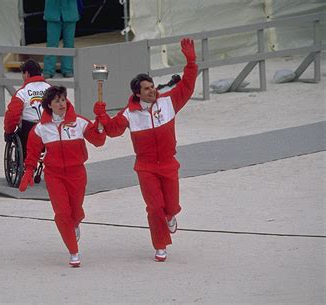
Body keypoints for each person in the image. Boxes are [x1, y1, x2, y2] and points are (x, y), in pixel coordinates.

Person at [93, 38, 198, 262]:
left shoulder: (168, 101)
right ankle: (160, 246)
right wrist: (102, 115)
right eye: (147, 89)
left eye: (152, 86)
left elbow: (187, 86)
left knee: (170, 206)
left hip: (169, 163)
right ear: (137, 94)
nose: (152, 91)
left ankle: (170, 216)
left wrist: (191, 62)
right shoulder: (129, 113)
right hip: (146, 167)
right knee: (154, 207)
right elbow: (112, 130)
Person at [19, 86, 106, 267]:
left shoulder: (79, 122)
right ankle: (73, 251)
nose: (62, 104)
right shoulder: (40, 129)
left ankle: (75, 222)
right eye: (57, 101)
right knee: (62, 213)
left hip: (77, 174)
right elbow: (32, 153)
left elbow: (98, 142)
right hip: (54, 175)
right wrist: (28, 171)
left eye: (63, 99)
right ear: (49, 105)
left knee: (75, 210)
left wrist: (100, 124)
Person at [3, 59, 51, 158]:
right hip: (50, 132)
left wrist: (8, 132)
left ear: (27, 74)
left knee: (21, 131)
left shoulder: (22, 92)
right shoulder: (51, 89)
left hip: (29, 133)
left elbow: (12, 115)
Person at [42, 0, 80, 79]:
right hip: (53, 13)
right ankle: (48, 70)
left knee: (69, 44)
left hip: (70, 13)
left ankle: (67, 69)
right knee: (51, 44)